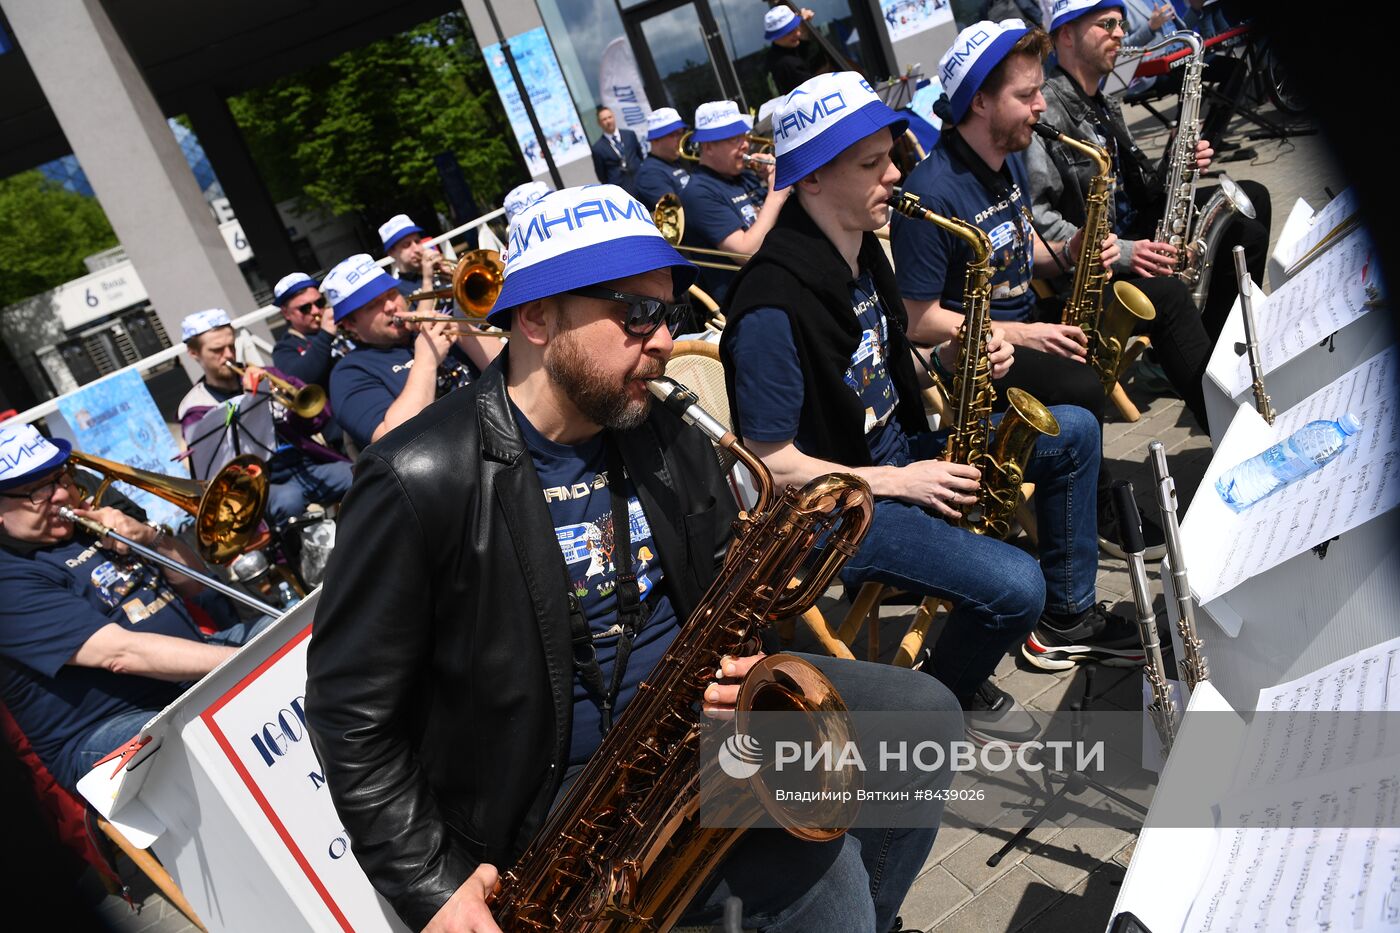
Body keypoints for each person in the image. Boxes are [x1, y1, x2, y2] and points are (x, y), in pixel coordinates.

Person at [305, 184, 961, 933]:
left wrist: (744, 665)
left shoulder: (664, 424)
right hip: (550, 798)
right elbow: (348, 713)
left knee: (923, 722)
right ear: (536, 316)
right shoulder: (415, 477)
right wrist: (432, 884)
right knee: (823, 879)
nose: (662, 339)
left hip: (690, 726)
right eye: (636, 313)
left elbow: (720, 589)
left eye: (670, 312)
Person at [724, 72, 1141, 730]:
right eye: (871, 164)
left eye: (890, 155)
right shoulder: (771, 305)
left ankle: (1070, 617)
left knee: (1077, 431)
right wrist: (904, 480)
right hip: (836, 513)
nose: (894, 173)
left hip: (895, 464)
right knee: (1014, 584)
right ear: (810, 180)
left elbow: (895, 356)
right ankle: (941, 698)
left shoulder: (861, 251)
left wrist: (967, 353)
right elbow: (769, 463)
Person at [892, 19, 1212, 561]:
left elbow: (1019, 253)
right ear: (980, 104)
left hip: (1029, 322)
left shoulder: (999, 163)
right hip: (978, 359)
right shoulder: (932, 192)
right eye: (1027, 94)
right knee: (1082, 383)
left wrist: (1074, 250)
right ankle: (1101, 516)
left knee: (1167, 294)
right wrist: (1029, 333)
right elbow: (919, 321)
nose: (1042, 104)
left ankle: (1227, 428)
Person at [0, 424, 266, 791]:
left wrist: (149, 537)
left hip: (189, 672)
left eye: (61, 477)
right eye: (37, 492)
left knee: (302, 630)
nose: (61, 494)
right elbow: (122, 654)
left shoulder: (89, 522)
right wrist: (259, 663)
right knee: (192, 737)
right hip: (106, 727)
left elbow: (197, 584)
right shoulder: (8, 578)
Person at [1033, 0, 1272, 342]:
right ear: (1067, 35)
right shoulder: (1046, 113)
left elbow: (1142, 191)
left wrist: (1174, 162)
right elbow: (1042, 223)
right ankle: (1209, 352)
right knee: (1247, 238)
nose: (1119, 35)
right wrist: (1128, 253)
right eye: (1107, 25)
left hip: (1135, 227)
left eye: (1121, 25)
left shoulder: (1105, 100)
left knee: (1255, 196)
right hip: (1101, 262)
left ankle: (1218, 336)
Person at [175, 309, 353, 525]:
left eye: (231, 346)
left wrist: (295, 409)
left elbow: (319, 417)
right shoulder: (195, 408)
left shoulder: (266, 374)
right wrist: (252, 400)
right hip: (259, 483)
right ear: (194, 353)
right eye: (217, 350)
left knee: (355, 475)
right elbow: (217, 467)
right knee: (290, 500)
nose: (229, 355)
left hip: (305, 465)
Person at [324, 254, 501, 451]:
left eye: (391, 294)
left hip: (501, 433)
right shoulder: (348, 373)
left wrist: (458, 329)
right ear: (350, 324)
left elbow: (514, 368)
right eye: (373, 305)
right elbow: (394, 440)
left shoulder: (428, 331)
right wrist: (426, 362)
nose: (391, 306)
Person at [679, 100, 788, 301]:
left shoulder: (743, 175)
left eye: (743, 136)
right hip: (753, 299)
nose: (745, 144)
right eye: (733, 139)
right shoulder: (698, 193)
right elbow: (747, 253)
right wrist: (776, 191)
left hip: (781, 281)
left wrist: (768, 179)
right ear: (709, 146)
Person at [271, 272, 343, 388]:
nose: (315, 311)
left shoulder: (340, 324)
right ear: (286, 313)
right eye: (305, 308)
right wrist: (325, 336)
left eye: (319, 303)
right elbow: (298, 378)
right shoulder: (284, 348)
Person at [632, 107, 691, 209]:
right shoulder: (650, 174)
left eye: (681, 133)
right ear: (655, 139)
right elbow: (675, 212)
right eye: (674, 134)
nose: (680, 139)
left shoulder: (672, 162)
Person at [763, 6, 821, 95]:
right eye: (789, 32)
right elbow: (817, 90)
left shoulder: (775, 55)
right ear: (776, 36)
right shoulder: (787, 64)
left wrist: (804, 25)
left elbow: (802, 51)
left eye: (796, 27)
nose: (798, 33)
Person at [590, 105, 644, 196]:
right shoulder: (598, 148)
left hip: (641, 184)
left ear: (614, 117)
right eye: (604, 119)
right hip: (622, 191)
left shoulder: (630, 135)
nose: (608, 121)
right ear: (599, 123)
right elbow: (602, 176)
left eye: (609, 117)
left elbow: (640, 156)